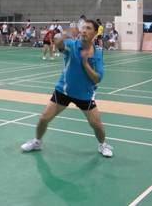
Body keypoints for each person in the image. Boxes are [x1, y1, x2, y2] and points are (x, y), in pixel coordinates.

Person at [21, 19, 112, 157]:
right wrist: (66, 34)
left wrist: (85, 64)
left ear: (95, 33)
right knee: (44, 118)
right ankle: (37, 142)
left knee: (97, 125)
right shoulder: (72, 45)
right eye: (83, 27)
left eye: (88, 28)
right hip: (64, 91)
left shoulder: (97, 52)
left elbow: (97, 78)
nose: (84, 30)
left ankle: (102, 145)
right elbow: (58, 44)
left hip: (85, 95)